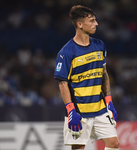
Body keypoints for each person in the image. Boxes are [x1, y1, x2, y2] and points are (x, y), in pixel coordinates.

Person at [54, 5, 120, 150]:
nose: (96, 24)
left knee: (114, 144)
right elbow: (62, 83)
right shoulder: (66, 52)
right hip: (79, 111)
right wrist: (71, 111)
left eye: (95, 20)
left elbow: (104, 75)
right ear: (80, 24)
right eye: (91, 21)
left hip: (100, 109)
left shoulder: (99, 45)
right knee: (78, 148)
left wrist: (109, 101)